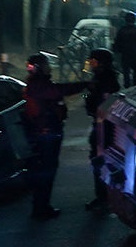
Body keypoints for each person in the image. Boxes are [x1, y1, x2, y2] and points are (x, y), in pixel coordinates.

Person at [21, 53, 89, 220]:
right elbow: (60, 90)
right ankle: (41, 209)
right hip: (46, 132)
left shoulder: (36, 84)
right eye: (45, 66)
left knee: (44, 171)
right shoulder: (39, 86)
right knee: (46, 172)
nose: (48, 68)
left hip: (45, 131)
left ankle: (41, 206)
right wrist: (85, 85)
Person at [84, 48, 120, 211]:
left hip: (103, 125)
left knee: (100, 159)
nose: (92, 65)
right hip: (100, 123)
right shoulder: (100, 78)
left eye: (95, 62)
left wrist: (90, 99)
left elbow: (104, 103)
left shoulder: (107, 80)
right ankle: (103, 196)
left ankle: (105, 196)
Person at [112, 11, 136, 88]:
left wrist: (117, 52)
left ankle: (127, 85)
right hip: (135, 54)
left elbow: (117, 42)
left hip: (125, 54)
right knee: (135, 71)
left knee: (126, 71)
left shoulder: (122, 30)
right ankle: (135, 83)